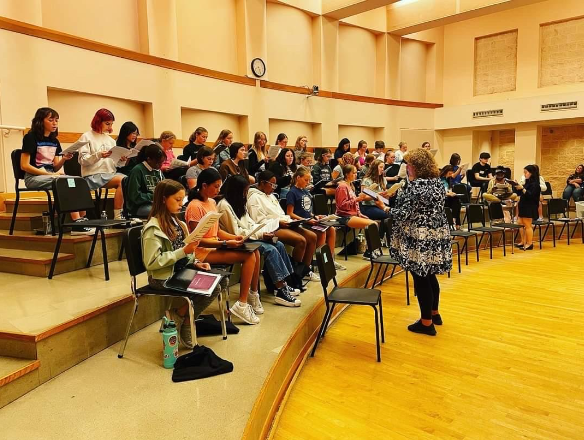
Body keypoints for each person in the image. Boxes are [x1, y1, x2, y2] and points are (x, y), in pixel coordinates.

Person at [142, 179, 222, 348]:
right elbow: (152, 262)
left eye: (182, 200)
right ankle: (184, 319)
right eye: (177, 200)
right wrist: (183, 252)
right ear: (163, 199)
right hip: (162, 277)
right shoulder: (153, 228)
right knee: (210, 286)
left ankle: (182, 317)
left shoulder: (179, 223)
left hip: (179, 271)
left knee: (218, 282)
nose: (181, 204)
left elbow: (186, 253)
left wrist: (196, 263)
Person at [388, 148, 452, 336]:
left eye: (409, 164)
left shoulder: (415, 187)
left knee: (420, 277)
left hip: (420, 236)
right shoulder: (438, 184)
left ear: (416, 167)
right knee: (430, 275)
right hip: (436, 233)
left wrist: (383, 207)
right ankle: (434, 314)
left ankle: (426, 323)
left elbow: (403, 214)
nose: (407, 167)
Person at [185, 168, 261, 323]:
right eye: (215, 186)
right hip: (201, 252)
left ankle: (252, 295)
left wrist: (235, 237)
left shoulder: (212, 202)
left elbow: (217, 230)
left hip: (215, 245)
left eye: (220, 186)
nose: (218, 190)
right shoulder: (194, 206)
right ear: (204, 186)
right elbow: (197, 240)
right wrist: (225, 243)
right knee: (249, 256)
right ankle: (242, 303)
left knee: (255, 252)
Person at [217, 175, 301, 307]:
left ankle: (283, 283)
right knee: (270, 249)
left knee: (278, 244)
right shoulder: (224, 206)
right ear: (236, 190)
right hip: (238, 241)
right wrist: (261, 234)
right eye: (244, 192)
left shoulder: (238, 202)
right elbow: (235, 232)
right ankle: (280, 290)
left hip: (250, 236)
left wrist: (264, 232)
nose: (245, 194)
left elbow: (250, 223)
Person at [20, 107, 93, 235]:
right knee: (64, 182)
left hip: (50, 175)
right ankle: (76, 223)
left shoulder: (55, 141)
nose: (55, 123)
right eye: (51, 120)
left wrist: (64, 159)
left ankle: (83, 220)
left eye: (56, 120)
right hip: (33, 177)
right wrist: (50, 174)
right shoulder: (30, 138)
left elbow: (55, 167)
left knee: (78, 181)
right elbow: (24, 165)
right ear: (40, 121)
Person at [247, 170, 320, 281]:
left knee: (312, 237)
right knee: (301, 241)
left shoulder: (271, 196)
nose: (274, 188)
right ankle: (295, 274)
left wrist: (288, 220)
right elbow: (258, 221)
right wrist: (279, 222)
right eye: (272, 184)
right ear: (262, 183)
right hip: (271, 228)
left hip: (283, 223)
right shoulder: (253, 197)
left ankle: (305, 270)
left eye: (275, 184)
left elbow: (280, 213)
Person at [287, 167, 346, 272]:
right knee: (321, 232)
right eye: (306, 180)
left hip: (310, 220)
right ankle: (321, 263)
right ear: (298, 178)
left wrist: (316, 216)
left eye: (309, 180)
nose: (308, 182)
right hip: (302, 223)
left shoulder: (305, 191)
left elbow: (308, 210)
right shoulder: (292, 192)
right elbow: (290, 213)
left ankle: (330, 260)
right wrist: (306, 220)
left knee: (331, 229)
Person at [77, 108, 126, 220]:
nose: (109, 126)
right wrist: (98, 155)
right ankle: (118, 215)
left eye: (111, 124)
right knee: (122, 180)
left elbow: (115, 164)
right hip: (92, 175)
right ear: (98, 121)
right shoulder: (86, 136)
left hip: (109, 173)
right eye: (107, 123)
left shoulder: (111, 140)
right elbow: (82, 160)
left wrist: (122, 160)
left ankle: (123, 213)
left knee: (127, 179)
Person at [335, 164, 376, 237]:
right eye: (353, 173)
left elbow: (355, 205)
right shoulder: (342, 187)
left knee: (373, 224)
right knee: (373, 225)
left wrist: (359, 214)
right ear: (347, 174)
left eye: (356, 172)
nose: (356, 175)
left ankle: (366, 247)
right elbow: (342, 206)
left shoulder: (350, 185)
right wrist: (356, 199)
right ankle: (370, 247)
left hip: (352, 214)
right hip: (344, 216)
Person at [126, 143, 165, 218]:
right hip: (139, 206)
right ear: (149, 159)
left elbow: (164, 187)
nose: (160, 165)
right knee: (161, 211)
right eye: (158, 163)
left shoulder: (158, 171)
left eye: (161, 162)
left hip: (155, 203)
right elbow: (135, 196)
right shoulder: (137, 170)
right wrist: (154, 196)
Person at [513, 165, 541, 251]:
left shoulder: (535, 184)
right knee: (520, 223)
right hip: (523, 205)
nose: (524, 174)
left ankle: (529, 243)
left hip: (530, 206)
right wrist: (516, 186)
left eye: (526, 172)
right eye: (524, 172)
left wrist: (522, 188)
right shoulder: (527, 182)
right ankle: (523, 241)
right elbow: (521, 193)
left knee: (528, 225)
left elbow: (531, 195)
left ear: (532, 173)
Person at [360, 160, 391, 232]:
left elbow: (385, 200)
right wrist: (376, 196)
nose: (382, 169)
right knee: (387, 215)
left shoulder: (383, 179)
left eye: (383, 167)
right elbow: (362, 198)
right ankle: (380, 237)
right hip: (368, 207)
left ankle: (384, 237)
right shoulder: (366, 180)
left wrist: (388, 194)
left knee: (391, 213)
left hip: (380, 205)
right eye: (380, 167)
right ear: (375, 168)